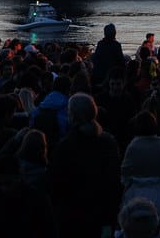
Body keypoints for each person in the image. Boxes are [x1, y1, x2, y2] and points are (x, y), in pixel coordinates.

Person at [50, 93, 122, 236]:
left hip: (74, 217)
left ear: (73, 116)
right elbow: (114, 181)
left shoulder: (66, 146)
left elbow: (56, 184)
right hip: (103, 215)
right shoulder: (109, 142)